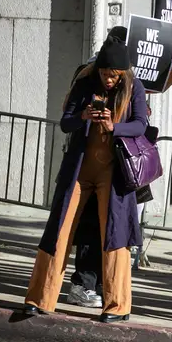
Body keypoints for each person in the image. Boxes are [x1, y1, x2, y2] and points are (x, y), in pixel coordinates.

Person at [23, 36, 148, 323]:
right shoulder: (85, 81)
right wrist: (83, 115)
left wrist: (112, 125)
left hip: (114, 174)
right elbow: (66, 122)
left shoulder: (135, 87)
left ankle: (118, 306)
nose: (108, 80)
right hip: (79, 171)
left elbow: (141, 124)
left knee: (115, 235)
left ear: (124, 74)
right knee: (59, 230)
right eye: (104, 74)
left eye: (114, 76)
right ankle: (40, 298)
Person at [65, 27, 172, 308]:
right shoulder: (88, 73)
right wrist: (90, 114)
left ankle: (104, 285)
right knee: (89, 225)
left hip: (122, 163)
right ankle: (83, 283)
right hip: (90, 162)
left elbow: (145, 98)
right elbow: (70, 115)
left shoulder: (130, 80)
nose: (110, 77)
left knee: (116, 226)